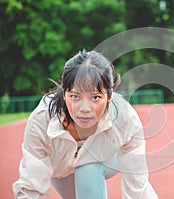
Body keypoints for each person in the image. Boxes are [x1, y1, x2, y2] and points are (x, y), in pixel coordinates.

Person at [12, 50, 158, 199]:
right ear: (63, 93)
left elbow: (137, 183)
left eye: (95, 97)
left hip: (105, 160)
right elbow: (30, 185)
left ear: (109, 96)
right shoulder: (42, 118)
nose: (85, 109)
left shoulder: (125, 118)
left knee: (88, 167)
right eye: (75, 96)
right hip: (61, 169)